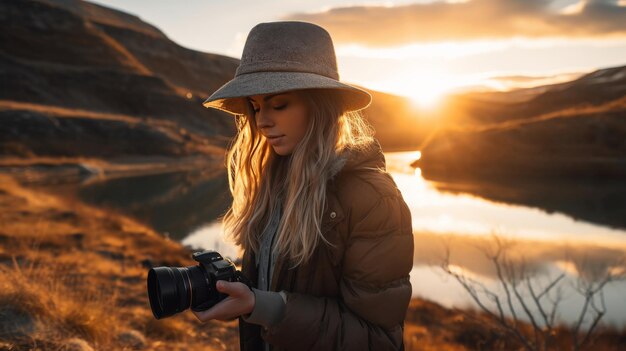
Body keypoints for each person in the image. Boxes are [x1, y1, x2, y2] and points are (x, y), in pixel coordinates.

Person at [195, 21, 414, 351]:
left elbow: (379, 340)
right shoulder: (272, 185)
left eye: (279, 104)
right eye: (254, 106)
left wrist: (266, 307)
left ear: (321, 105)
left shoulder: (373, 200)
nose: (262, 121)